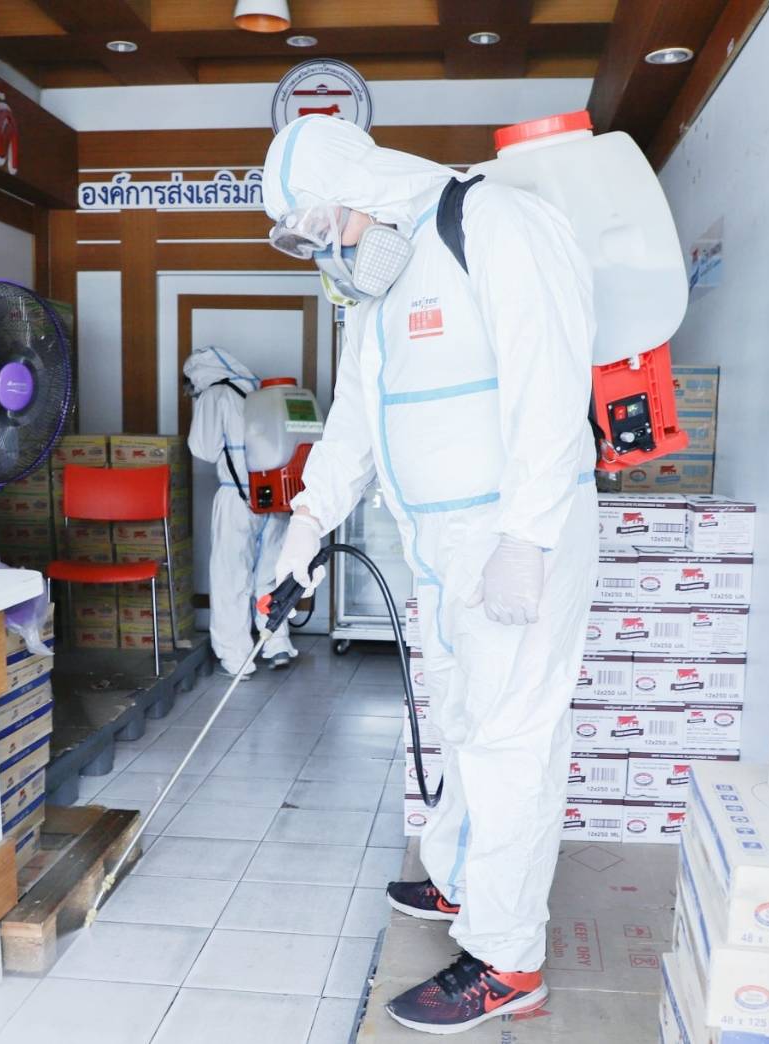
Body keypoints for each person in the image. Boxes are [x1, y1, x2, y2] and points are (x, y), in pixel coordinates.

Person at [262, 115, 599, 1034]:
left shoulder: (494, 224)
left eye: (325, 227)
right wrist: (307, 524)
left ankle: (507, 958)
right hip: (443, 552)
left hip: (515, 537)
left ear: (362, 188)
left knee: (509, 739)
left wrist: (526, 538)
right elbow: (354, 423)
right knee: (460, 720)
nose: (327, 253)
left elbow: (549, 383)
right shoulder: (380, 288)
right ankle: (459, 881)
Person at [183, 346, 298, 678]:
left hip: (236, 498)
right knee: (270, 574)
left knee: (230, 576)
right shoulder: (263, 391)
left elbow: (203, 449)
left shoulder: (215, 394)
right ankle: (276, 644)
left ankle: (237, 658)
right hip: (275, 497)